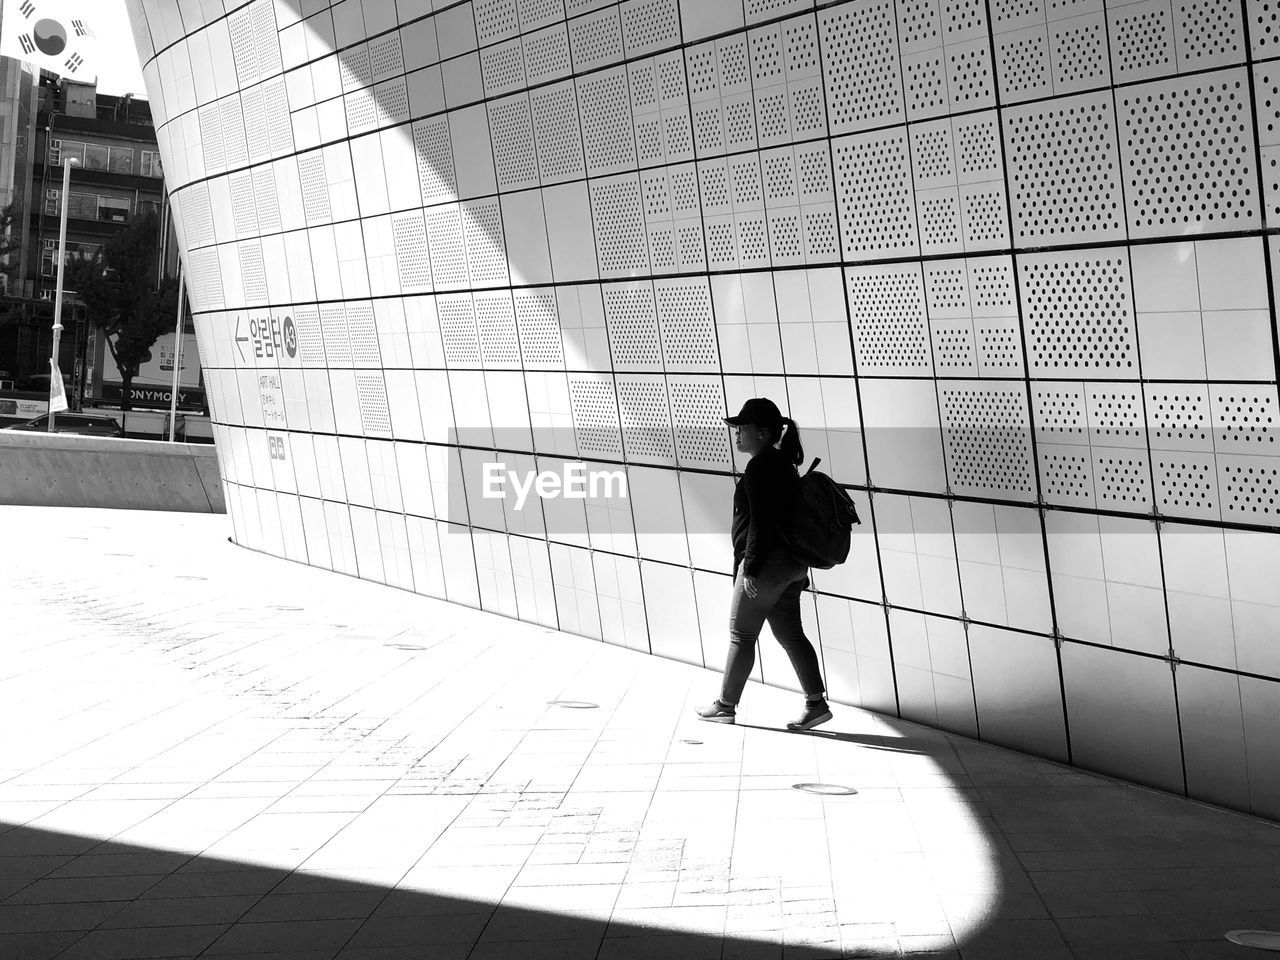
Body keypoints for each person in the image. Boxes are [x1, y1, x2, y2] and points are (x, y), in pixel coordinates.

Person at [697, 397, 833, 731]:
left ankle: (725, 705)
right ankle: (816, 704)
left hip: (765, 566)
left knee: (741, 634)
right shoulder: (784, 464)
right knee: (791, 633)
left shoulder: (760, 467)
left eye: (742, 428)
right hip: (791, 566)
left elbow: (761, 521)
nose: (737, 434)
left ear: (762, 432)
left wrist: (751, 567)